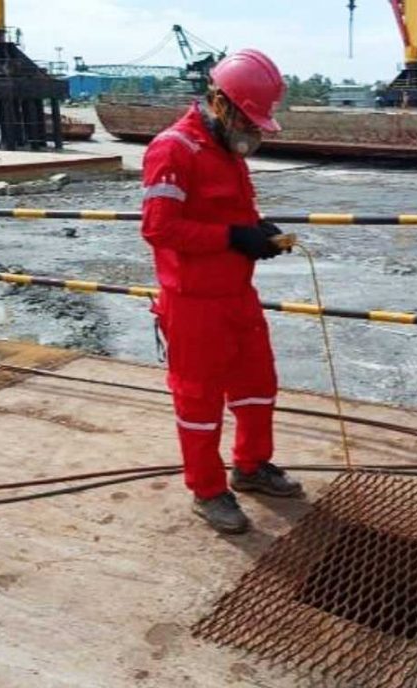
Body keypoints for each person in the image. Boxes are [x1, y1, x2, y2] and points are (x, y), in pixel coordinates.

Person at [140, 49, 304, 535]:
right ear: (218, 101)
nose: (252, 132)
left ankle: (251, 466)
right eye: (247, 119)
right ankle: (208, 490)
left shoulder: (226, 153)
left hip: (236, 296)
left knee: (258, 385)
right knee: (199, 402)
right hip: (192, 304)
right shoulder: (173, 150)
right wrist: (233, 238)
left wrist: (258, 232)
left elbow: (228, 213)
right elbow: (159, 229)